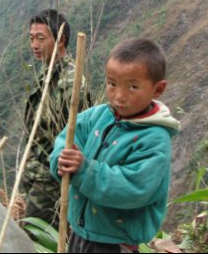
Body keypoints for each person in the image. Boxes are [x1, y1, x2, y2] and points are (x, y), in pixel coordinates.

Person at [50, 38, 180, 253]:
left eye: (133, 87)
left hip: (116, 243)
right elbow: (67, 139)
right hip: (80, 232)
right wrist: (62, 161)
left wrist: (83, 170)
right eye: (112, 84)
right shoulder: (97, 116)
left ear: (158, 89)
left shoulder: (154, 139)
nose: (119, 96)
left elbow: (133, 188)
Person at [22, 9, 91, 228]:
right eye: (31, 38)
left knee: (34, 238)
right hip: (36, 176)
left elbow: (78, 139)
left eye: (41, 38)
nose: (34, 45)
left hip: (51, 183)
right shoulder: (48, 74)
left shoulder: (70, 82)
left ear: (60, 40)